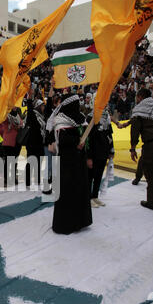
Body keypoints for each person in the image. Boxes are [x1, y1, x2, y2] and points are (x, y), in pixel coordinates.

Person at [50, 95, 92, 234]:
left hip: (79, 161)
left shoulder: (80, 117)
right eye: (75, 103)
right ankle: (66, 224)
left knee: (79, 190)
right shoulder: (61, 119)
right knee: (67, 192)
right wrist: (77, 141)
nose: (78, 105)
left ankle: (80, 222)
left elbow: (87, 136)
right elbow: (63, 140)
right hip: (66, 162)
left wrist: (83, 145)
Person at [130, 88, 153, 210]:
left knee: (151, 173)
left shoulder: (140, 109)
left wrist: (133, 148)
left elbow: (135, 130)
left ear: (140, 97)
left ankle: (152, 201)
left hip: (151, 146)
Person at [87, 107, 115, 207]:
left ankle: (95, 196)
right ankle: (88, 198)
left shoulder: (107, 117)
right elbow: (87, 138)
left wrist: (112, 149)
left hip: (103, 151)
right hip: (94, 152)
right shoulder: (91, 117)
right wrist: (88, 157)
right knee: (90, 176)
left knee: (98, 176)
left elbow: (110, 135)